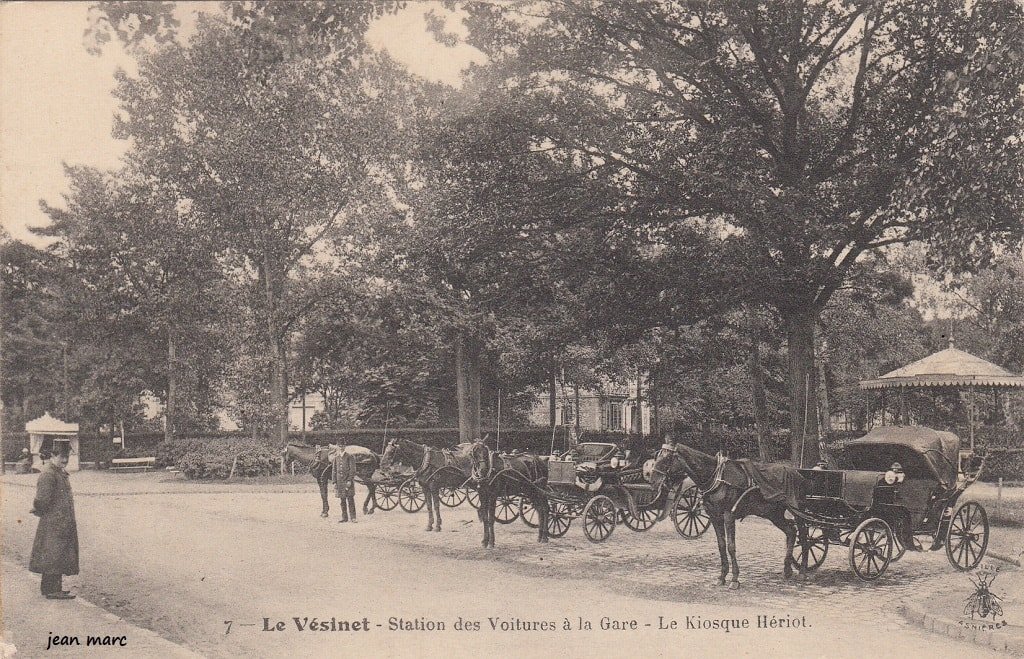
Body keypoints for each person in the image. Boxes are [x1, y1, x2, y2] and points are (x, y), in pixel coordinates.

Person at [29, 444, 79, 599]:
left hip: (60, 521)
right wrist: (39, 510)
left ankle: (52, 588)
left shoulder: (57, 472)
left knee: (57, 554)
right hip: (54, 522)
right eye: (61, 456)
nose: (64, 460)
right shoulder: (49, 474)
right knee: (53, 554)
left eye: (67, 457)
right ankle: (52, 590)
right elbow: (42, 499)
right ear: (52, 456)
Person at [333, 443, 357, 524]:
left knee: (350, 499)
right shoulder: (336, 457)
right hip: (340, 482)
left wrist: (350, 480)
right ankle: (344, 517)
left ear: (345, 447)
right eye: (339, 446)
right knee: (342, 500)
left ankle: (353, 517)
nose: (341, 447)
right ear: (338, 447)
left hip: (348, 482)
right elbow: (334, 471)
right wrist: (334, 482)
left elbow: (352, 470)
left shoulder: (349, 456)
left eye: (342, 446)